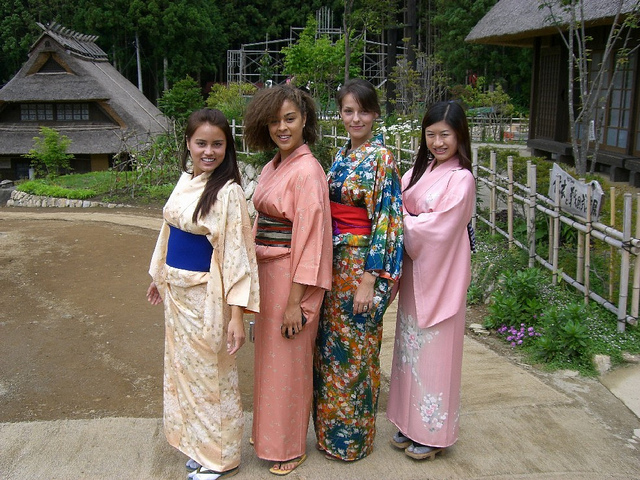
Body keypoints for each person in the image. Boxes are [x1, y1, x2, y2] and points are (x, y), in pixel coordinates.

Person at [147, 108, 260, 480]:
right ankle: (199, 446)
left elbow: (236, 257)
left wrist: (237, 316)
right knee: (185, 373)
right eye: (201, 143)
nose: (208, 151)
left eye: (217, 144)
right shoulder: (185, 181)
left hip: (205, 297)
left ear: (227, 148)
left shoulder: (228, 193)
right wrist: (158, 274)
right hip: (177, 295)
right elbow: (168, 231)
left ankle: (221, 456)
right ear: (188, 144)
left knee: (212, 375)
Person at [243, 85, 333, 476]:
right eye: (275, 120)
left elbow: (311, 243)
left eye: (290, 119)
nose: (282, 127)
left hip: (289, 277)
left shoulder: (308, 172)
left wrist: (297, 301)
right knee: (271, 360)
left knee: (290, 360)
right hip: (268, 272)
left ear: (305, 120)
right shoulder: (274, 165)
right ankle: (268, 431)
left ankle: (289, 444)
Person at [313, 78, 403, 462]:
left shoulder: (382, 158)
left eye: (363, 111)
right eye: (348, 111)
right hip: (334, 263)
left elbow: (388, 220)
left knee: (356, 351)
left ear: (376, 114)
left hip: (361, 265)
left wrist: (371, 279)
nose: (355, 118)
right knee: (331, 349)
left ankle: (353, 441)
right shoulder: (341, 155)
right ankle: (329, 435)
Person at [386, 100, 476, 461]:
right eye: (431, 135)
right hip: (416, 274)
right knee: (410, 351)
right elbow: (397, 202)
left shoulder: (462, 178)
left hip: (443, 275)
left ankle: (434, 433)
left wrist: (404, 220)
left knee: (437, 353)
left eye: (446, 135)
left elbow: (439, 229)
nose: (438, 142)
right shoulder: (418, 172)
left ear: (459, 136)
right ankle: (410, 424)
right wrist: (407, 215)